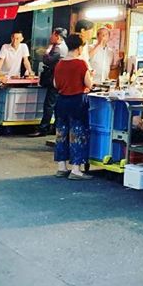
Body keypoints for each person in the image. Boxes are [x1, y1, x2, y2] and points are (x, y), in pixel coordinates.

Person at [53, 33, 94, 180]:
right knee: (77, 134)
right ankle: (76, 169)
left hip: (62, 101)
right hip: (77, 101)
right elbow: (89, 84)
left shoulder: (60, 63)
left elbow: (55, 84)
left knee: (61, 134)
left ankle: (61, 167)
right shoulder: (81, 64)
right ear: (79, 47)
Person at [33, 28, 68, 136]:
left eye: (52, 35)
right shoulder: (63, 47)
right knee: (55, 104)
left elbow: (47, 60)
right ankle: (54, 128)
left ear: (57, 36)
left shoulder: (58, 49)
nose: (50, 37)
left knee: (49, 105)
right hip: (60, 79)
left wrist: (47, 51)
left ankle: (43, 128)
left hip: (55, 80)